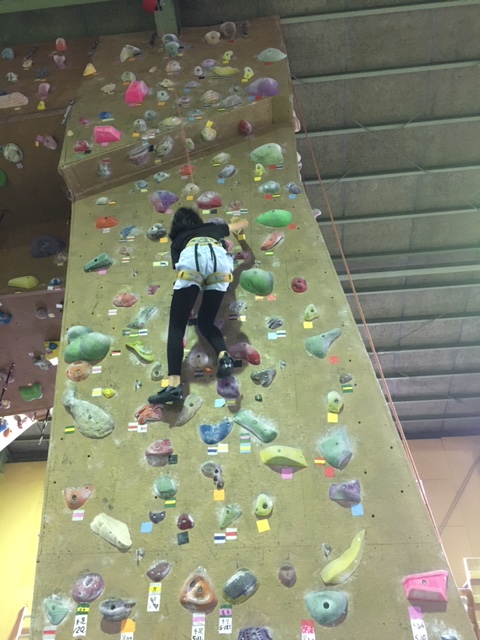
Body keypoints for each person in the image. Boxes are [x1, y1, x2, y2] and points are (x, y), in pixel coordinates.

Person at [148, 206, 248, 404]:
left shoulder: (179, 239)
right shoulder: (212, 228)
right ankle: (224, 357)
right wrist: (239, 234)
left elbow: (179, 268)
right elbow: (243, 223)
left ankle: (174, 386)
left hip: (192, 257)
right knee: (205, 322)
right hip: (221, 263)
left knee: (177, 326)